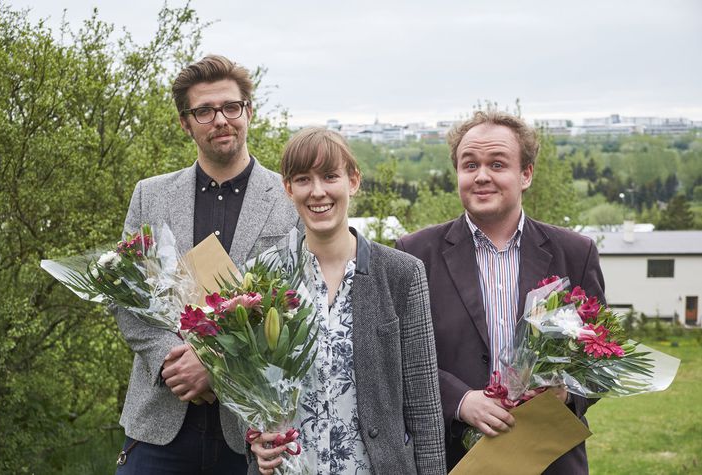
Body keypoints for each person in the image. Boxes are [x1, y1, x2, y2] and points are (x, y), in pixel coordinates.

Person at [112, 55, 299, 474]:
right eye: (204, 111)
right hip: (161, 421)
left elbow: (299, 305)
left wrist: (214, 367)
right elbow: (125, 298)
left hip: (253, 432)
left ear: (249, 112)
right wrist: (171, 361)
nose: (220, 120)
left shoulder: (290, 200)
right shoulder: (150, 195)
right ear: (185, 122)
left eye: (231, 107)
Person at [396, 110, 604, 474]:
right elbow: (398, 353)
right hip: (454, 457)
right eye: (470, 164)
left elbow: (599, 356)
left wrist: (566, 394)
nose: (481, 176)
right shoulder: (414, 254)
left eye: (497, 164)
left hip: (549, 457)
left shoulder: (575, 252)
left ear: (526, 174)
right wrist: (459, 401)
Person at [249, 127, 447, 474]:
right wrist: (252, 438)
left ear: (353, 181)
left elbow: (424, 406)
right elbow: (247, 387)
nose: (318, 191)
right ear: (288, 188)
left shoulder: (401, 273)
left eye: (330, 176)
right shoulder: (263, 275)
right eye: (303, 179)